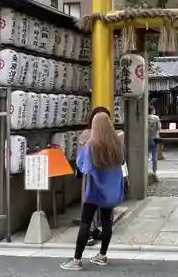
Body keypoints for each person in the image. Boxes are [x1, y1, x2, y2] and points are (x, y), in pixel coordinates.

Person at [61, 112, 126, 271]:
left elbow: (83, 168)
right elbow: (123, 162)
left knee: (85, 222)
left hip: (94, 190)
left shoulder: (91, 146)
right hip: (111, 191)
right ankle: (102, 255)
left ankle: (77, 260)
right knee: (107, 222)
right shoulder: (119, 144)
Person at [77, 106, 111, 246]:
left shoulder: (90, 136)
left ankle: (91, 233)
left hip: (92, 177)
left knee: (89, 212)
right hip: (102, 178)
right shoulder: (110, 137)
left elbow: (80, 160)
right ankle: (96, 238)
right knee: (103, 214)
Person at [148, 106, 161, 173]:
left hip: (146, 138)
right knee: (154, 155)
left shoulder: (145, 117)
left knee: (145, 156)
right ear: (152, 110)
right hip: (154, 137)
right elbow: (159, 127)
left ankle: (145, 171)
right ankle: (154, 171)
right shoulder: (156, 118)